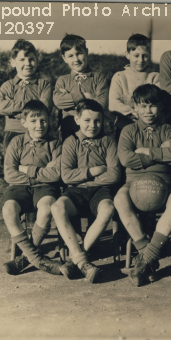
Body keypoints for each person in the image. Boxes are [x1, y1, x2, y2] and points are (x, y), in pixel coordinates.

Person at [114, 84, 171, 286]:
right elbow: (126, 159)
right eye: (143, 106)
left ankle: (144, 261)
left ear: (160, 107)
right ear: (134, 108)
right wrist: (158, 153)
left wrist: (145, 151)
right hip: (133, 182)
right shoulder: (128, 130)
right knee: (119, 199)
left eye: (152, 106)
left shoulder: (168, 129)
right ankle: (149, 256)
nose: (148, 111)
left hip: (165, 182)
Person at [51, 99, 120, 283]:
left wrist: (87, 179)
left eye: (97, 121)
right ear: (77, 120)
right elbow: (66, 176)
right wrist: (92, 172)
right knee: (57, 208)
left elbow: (114, 174)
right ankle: (82, 261)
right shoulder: (71, 142)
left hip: (100, 190)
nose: (92, 126)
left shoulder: (108, 141)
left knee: (108, 209)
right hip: (76, 191)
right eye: (87, 120)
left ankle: (75, 260)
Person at [1, 100, 63, 276]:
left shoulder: (55, 143)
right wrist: (43, 172)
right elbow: (9, 174)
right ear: (24, 122)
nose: (39, 125)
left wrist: (27, 170)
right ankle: (37, 259)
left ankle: (25, 259)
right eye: (34, 121)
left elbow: (56, 175)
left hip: (45, 189)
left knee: (46, 207)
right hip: (19, 188)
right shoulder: (16, 142)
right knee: (8, 209)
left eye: (43, 120)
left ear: (49, 121)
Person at [0, 39, 53, 152]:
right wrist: (32, 105)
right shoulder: (7, 86)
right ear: (13, 62)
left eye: (31, 59)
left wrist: (12, 109)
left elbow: (44, 109)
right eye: (22, 59)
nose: (27, 64)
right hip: (13, 134)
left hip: (37, 133)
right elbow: (1, 107)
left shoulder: (43, 85)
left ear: (37, 61)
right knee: (12, 166)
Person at [53, 34, 109, 139]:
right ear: (64, 58)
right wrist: (85, 96)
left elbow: (102, 103)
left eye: (79, 54)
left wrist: (70, 99)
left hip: (93, 130)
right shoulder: (63, 80)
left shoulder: (98, 78)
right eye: (70, 56)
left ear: (86, 52)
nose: (76, 59)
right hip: (69, 131)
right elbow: (58, 101)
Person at [109, 33, 160, 125]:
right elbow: (113, 104)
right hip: (125, 125)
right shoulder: (120, 77)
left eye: (145, 56)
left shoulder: (155, 77)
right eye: (136, 56)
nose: (140, 60)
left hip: (150, 125)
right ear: (127, 54)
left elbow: (159, 103)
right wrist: (133, 113)